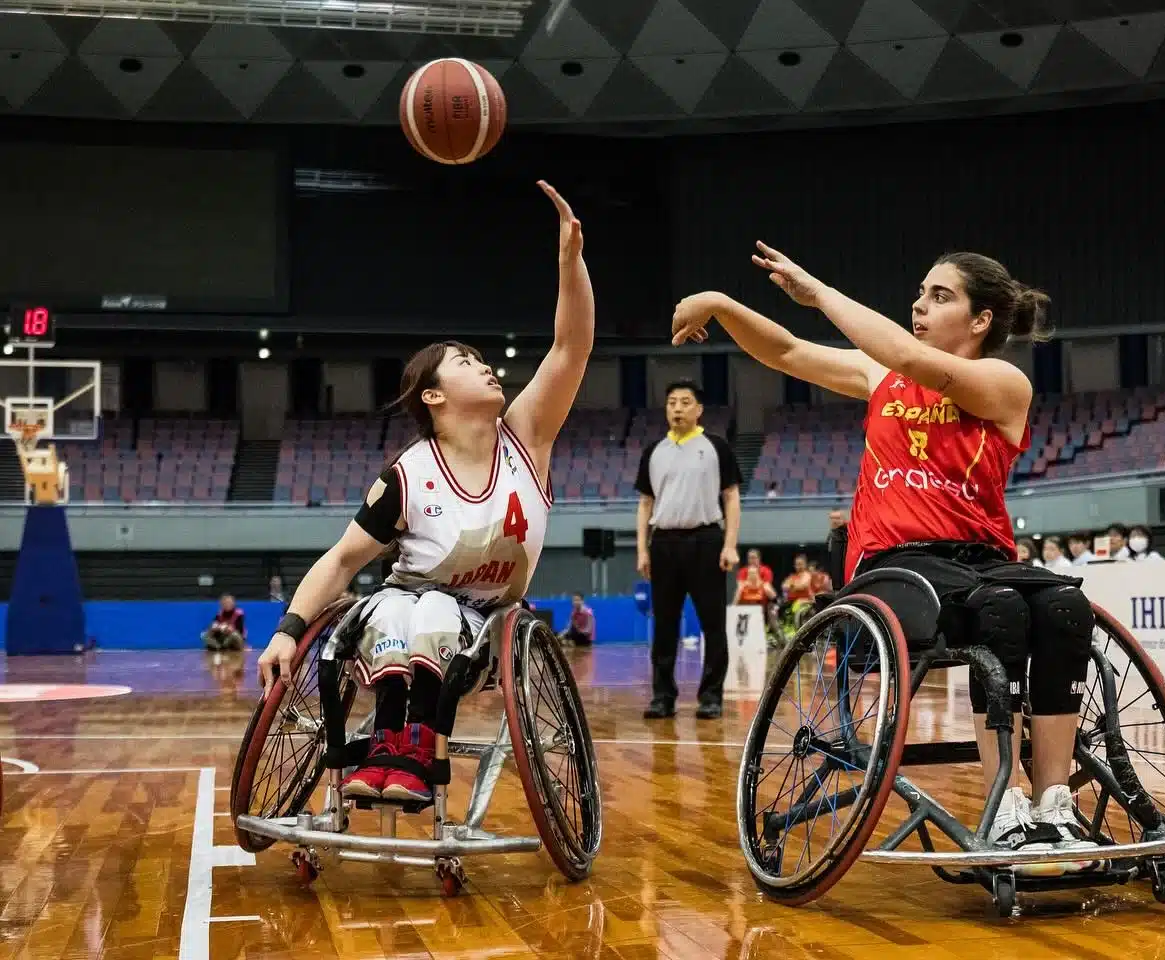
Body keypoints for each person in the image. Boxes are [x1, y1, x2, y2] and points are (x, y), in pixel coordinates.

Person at [672, 245, 1100, 875]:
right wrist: (722, 303)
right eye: (920, 293)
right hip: (897, 565)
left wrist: (818, 290)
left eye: (939, 296)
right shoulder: (881, 377)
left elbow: (908, 355)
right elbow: (787, 352)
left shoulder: (1007, 383)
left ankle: (1053, 802)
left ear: (981, 321)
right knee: (1001, 612)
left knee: (1065, 604)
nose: (919, 305)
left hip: (980, 555)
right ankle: (1006, 802)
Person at [256, 181, 593, 804]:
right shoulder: (408, 473)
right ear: (432, 395)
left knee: (436, 611)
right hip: (398, 620)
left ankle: (421, 751)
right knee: (396, 605)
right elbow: (343, 560)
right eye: (466, 362)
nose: (486, 366)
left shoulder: (526, 437)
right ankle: (390, 742)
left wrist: (570, 263)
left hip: (487, 631)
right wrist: (286, 630)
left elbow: (572, 347)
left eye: (482, 360)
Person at [635, 380, 742, 720]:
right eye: (671, 403)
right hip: (664, 543)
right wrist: (642, 550)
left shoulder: (716, 446)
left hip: (706, 540)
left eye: (684, 402)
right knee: (665, 624)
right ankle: (662, 697)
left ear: (699, 410)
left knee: (712, 623)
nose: (677, 408)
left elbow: (731, 497)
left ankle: (711, 696)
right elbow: (645, 503)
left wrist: (730, 545)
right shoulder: (653, 451)